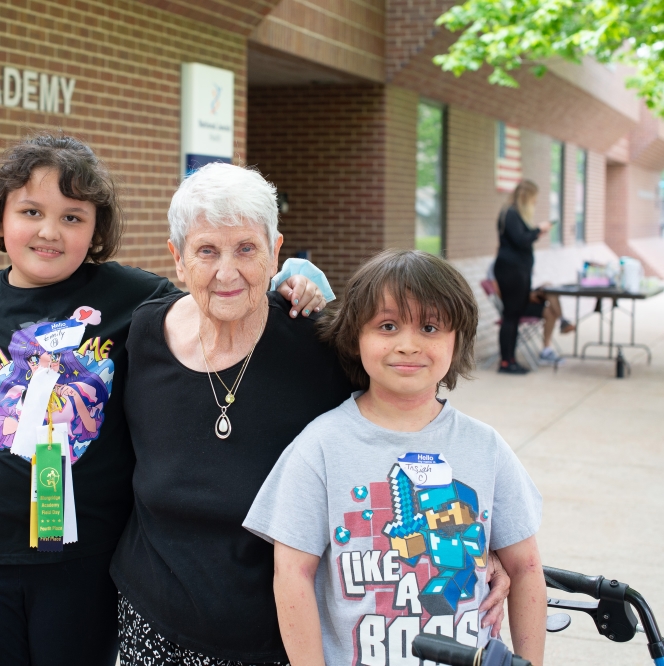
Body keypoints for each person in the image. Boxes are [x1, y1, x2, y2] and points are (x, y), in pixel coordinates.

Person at [0, 135, 326, 666]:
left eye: (73, 217)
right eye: (31, 211)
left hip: (85, 558)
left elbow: (217, 289)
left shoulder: (131, 298)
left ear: (96, 230)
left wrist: (297, 279)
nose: (50, 232)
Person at [110, 164, 512, 666]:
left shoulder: (319, 344)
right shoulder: (144, 334)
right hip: (153, 623)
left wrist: (478, 540)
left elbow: (409, 427)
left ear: (276, 251)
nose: (227, 271)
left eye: (247, 249)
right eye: (207, 251)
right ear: (178, 259)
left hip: (284, 636)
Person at [244, 249, 546, 666]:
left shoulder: (485, 447)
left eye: (429, 326)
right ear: (356, 336)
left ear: (457, 338)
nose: (408, 345)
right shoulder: (320, 447)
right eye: (387, 326)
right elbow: (293, 576)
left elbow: (527, 567)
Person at [492, 180, 572, 373]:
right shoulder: (510, 213)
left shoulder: (514, 215)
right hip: (511, 272)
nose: (534, 204)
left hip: (518, 272)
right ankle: (506, 362)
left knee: (515, 315)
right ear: (526, 197)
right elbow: (521, 240)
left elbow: (521, 237)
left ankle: (511, 359)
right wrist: (538, 230)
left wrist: (536, 231)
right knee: (511, 316)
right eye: (533, 200)